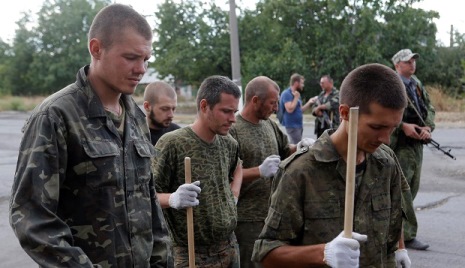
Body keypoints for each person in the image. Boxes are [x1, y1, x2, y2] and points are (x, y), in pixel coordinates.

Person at [8, 4, 170, 267]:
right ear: (96, 49)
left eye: (146, 59)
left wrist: (162, 261)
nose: (141, 69)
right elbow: (31, 217)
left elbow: (149, 205)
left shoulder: (137, 119)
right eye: (131, 57)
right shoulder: (56, 116)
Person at [252, 63, 410, 267]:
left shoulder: (386, 162)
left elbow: (395, 217)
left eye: (392, 128)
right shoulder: (301, 172)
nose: (386, 138)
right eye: (376, 127)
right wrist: (323, 253)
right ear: (345, 113)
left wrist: (400, 248)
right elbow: (266, 253)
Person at [153, 75, 243, 267]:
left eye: (234, 111)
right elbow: (146, 196)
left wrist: (232, 196)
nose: (233, 119)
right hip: (192, 253)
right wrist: (172, 199)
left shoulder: (229, 144)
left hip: (229, 247)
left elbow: (236, 170)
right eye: (226, 111)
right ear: (204, 106)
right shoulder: (172, 144)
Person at [229, 76, 314, 268]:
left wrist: (300, 146)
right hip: (247, 221)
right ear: (255, 101)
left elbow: (285, 149)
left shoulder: (269, 125)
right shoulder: (233, 130)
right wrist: (258, 171)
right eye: (272, 103)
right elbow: (226, 178)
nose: (276, 108)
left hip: (273, 216)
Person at [390, 48, 436, 251]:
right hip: (400, 144)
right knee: (403, 189)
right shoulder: (392, 84)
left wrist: (427, 127)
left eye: (413, 61)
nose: (412, 64)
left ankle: (395, 229)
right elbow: (384, 112)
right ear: (397, 64)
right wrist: (403, 127)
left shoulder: (416, 84)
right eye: (408, 61)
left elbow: (430, 108)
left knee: (413, 187)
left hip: (417, 143)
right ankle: (407, 236)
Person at [279, 73, 314, 144]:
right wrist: (296, 97)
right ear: (296, 83)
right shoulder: (287, 94)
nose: (303, 85)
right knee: (296, 147)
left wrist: (309, 102)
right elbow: (289, 109)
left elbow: (301, 110)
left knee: (297, 145)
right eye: (301, 83)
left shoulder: (296, 94)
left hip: (298, 125)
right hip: (292, 125)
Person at [143, 81, 181, 145]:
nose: (171, 115)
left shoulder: (178, 135)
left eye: (173, 109)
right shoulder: (133, 135)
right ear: (147, 106)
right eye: (165, 109)